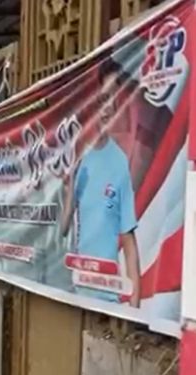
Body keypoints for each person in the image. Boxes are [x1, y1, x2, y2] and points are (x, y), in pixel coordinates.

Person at [59, 60, 141, 307]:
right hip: (79, 293)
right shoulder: (81, 157)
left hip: (109, 301)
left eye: (110, 99)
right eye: (100, 101)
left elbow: (128, 242)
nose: (105, 109)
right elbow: (63, 228)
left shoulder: (120, 163)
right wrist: (71, 183)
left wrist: (134, 308)